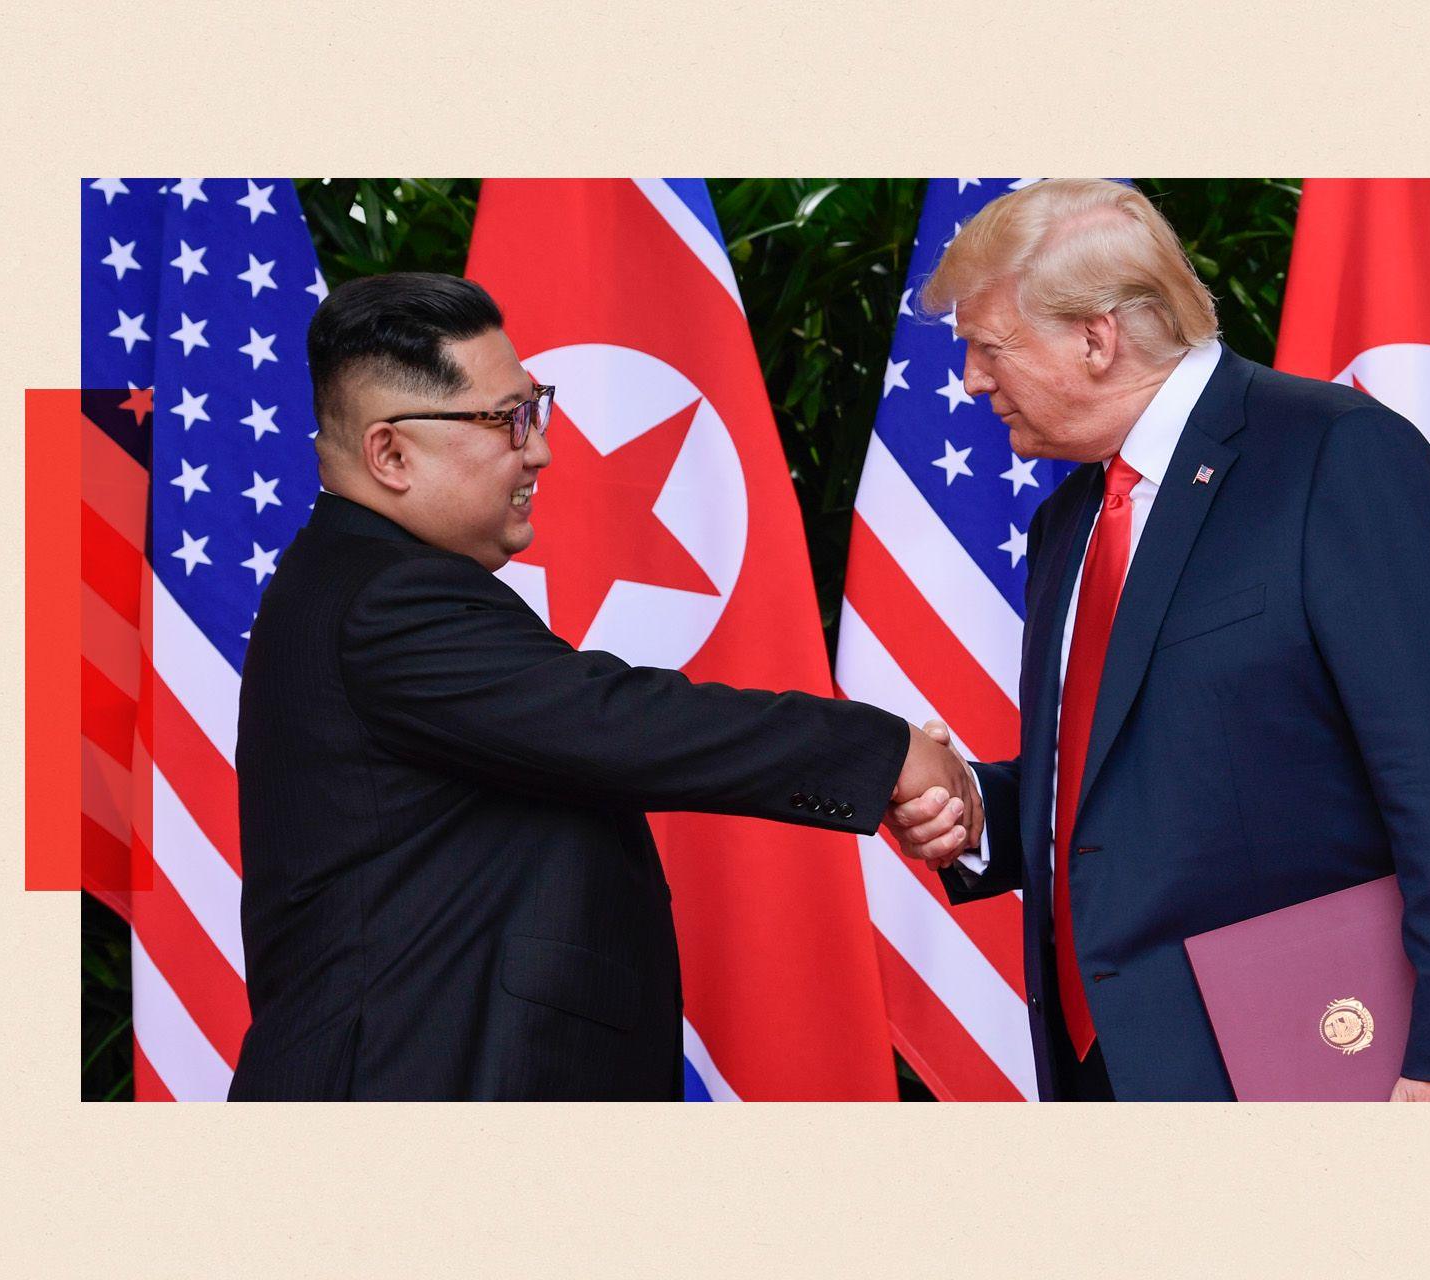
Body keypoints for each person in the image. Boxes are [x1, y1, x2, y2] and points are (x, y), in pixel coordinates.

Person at [229, 272, 978, 1100]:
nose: (540, 448)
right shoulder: (386, 599)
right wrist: (885, 751)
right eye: (506, 420)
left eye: (534, 406)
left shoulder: (360, 581)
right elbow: (616, 723)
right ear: (392, 453)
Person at [886, 179, 1430, 1102]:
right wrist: (978, 809)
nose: (968, 379)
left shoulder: (1335, 456)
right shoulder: (1070, 520)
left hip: (1321, 1069)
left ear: (1096, 336)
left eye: (988, 346)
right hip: (1107, 1074)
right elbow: (1139, 778)